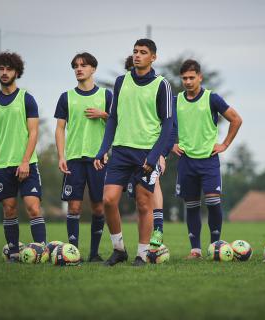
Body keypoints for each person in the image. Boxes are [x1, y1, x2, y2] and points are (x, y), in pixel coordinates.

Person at [94, 39, 173, 266]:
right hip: (120, 151)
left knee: (143, 204)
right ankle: (119, 249)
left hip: (147, 152)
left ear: (153, 57)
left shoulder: (162, 85)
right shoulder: (121, 82)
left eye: (143, 52)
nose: (138, 55)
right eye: (135, 52)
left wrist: (154, 156)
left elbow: (168, 125)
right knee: (108, 200)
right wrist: (103, 150)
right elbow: (113, 119)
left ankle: (142, 253)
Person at [172, 59, 242, 259]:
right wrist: (170, 144)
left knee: (213, 203)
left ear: (200, 77)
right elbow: (160, 124)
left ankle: (215, 246)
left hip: (209, 160)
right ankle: (195, 250)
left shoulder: (212, 98)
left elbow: (236, 119)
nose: (187, 81)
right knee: (192, 206)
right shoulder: (176, 101)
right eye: (184, 78)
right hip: (186, 161)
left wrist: (225, 144)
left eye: (191, 77)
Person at [0, 52, 46, 262]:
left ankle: (41, 251)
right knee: (9, 210)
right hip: (2, 166)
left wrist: (26, 160)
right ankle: (14, 253)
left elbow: (34, 133)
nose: (4, 72)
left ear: (16, 72)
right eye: (1, 69)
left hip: (26, 164)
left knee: (33, 207)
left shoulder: (26, 99)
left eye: (8, 69)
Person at [54, 52, 112, 262]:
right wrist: (61, 156)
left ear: (93, 69)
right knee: (74, 206)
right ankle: (73, 253)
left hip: (99, 160)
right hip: (74, 159)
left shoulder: (106, 96)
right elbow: (60, 129)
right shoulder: (66, 97)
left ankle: (94, 254)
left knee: (98, 207)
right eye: (76, 66)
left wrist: (103, 114)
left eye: (84, 65)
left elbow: (116, 124)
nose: (79, 69)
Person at [122, 55, 176, 248]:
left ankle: (158, 230)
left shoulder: (159, 89)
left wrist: (162, 153)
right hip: (128, 152)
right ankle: (146, 243)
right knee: (141, 202)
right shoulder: (126, 92)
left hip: (153, 150)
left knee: (155, 183)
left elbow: (170, 126)